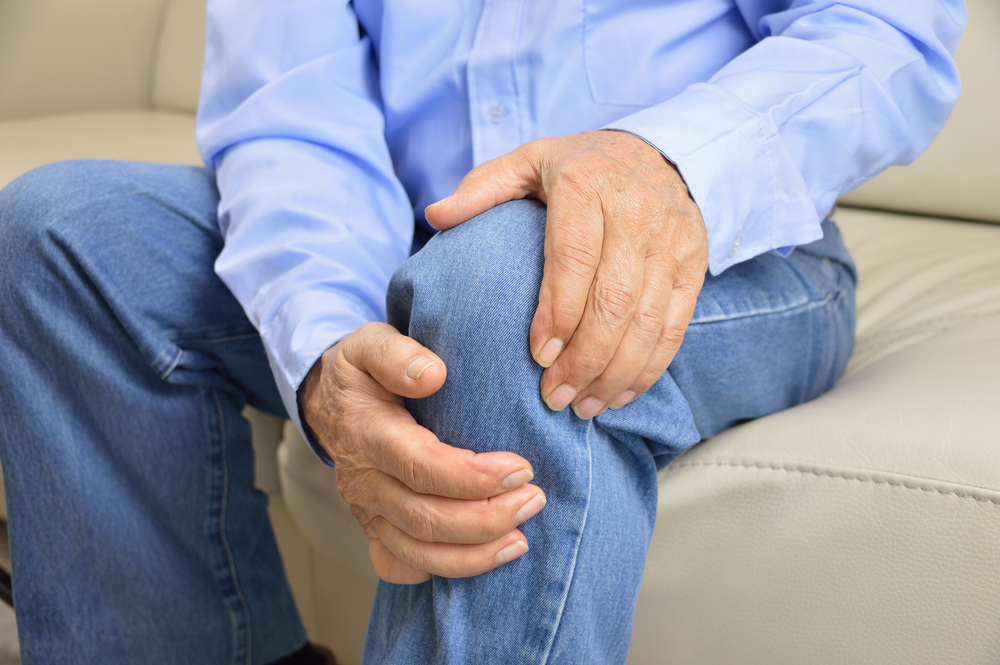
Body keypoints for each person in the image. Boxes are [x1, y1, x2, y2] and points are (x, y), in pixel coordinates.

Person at [0, 1, 964, 663]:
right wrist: (329, 342)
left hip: (728, 237)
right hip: (417, 242)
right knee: (63, 235)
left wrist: (662, 162)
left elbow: (886, 32)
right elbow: (290, 110)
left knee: (506, 285)